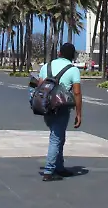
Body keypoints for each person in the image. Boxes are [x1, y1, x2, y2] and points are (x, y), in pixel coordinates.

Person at [31, 43, 83, 182]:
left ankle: (59, 167)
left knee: (58, 136)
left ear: (59, 53)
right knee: (56, 138)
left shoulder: (46, 66)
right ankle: (49, 171)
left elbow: (40, 86)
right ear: (72, 56)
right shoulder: (73, 70)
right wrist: (79, 113)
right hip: (61, 107)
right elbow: (77, 92)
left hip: (46, 107)